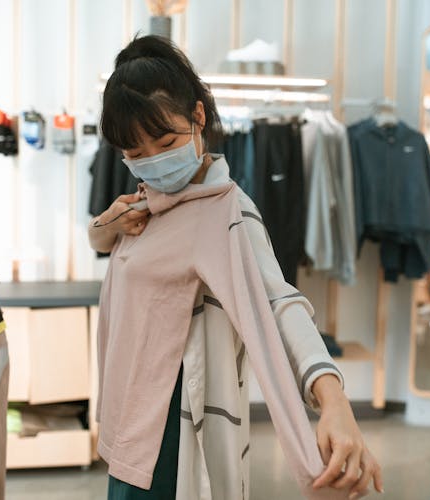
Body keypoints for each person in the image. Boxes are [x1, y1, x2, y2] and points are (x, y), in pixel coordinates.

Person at [89, 35, 382, 500]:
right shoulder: (150, 202)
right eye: (136, 155)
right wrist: (106, 227)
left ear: (198, 117)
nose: (153, 162)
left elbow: (278, 303)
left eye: (165, 142)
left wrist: (333, 399)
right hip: (131, 421)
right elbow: (118, 251)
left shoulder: (226, 214)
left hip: (172, 434)